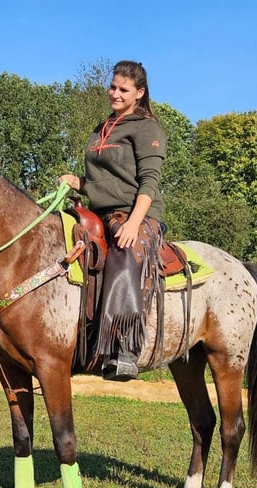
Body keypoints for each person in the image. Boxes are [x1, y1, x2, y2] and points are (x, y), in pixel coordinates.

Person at [58, 60, 167, 381]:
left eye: (123, 89)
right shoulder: (102, 127)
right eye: (113, 87)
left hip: (136, 212)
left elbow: (149, 181)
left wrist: (135, 223)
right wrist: (79, 182)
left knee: (122, 250)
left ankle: (124, 349)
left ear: (140, 93)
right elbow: (103, 178)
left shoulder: (147, 128)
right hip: (99, 211)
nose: (115, 93)